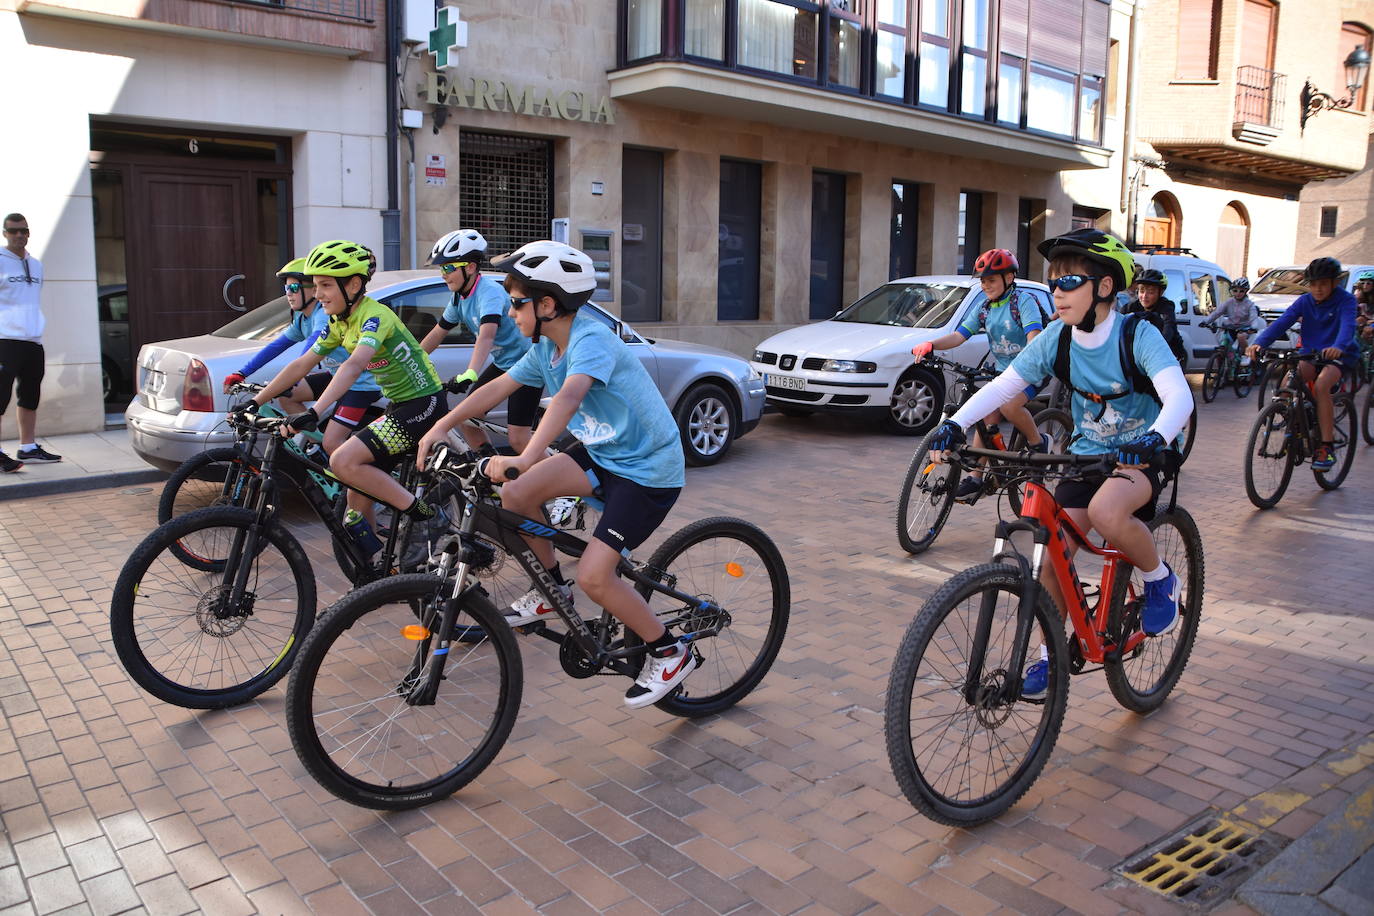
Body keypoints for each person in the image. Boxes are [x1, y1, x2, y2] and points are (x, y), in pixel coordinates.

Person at [416, 240, 695, 709]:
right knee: (517, 495)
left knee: (596, 578)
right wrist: (440, 426)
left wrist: (526, 457)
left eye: (516, 302)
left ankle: (670, 651)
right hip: (604, 453)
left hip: (648, 470)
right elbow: (499, 386)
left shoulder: (590, 340)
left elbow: (568, 398)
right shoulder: (546, 345)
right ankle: (550, 589)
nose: (510, 313)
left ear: (547, 305)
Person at [926, 229, 1193, 699]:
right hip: (1087, 452)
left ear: (1104, 287)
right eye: (1053, 282)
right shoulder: (1058, 337)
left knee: (1108, 512)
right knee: (1052, 554)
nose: (1057, 291)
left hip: (1142, 452)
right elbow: (1005, 385)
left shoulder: (1137, 334)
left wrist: (1153, 438)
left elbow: (1179, 396)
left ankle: (1159, 580)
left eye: (1069, 281)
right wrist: (955, 424)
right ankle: (1051, 659)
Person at [243, 239, 447, 533]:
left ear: (353, 285)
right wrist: (256, 401)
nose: (318, 294)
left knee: (343, 460)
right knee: (356, 497)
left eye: (326, 285)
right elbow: (301, 365)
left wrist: (315, 412)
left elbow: (354, 365)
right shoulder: (339, 322)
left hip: (424, 403)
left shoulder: (375, 316)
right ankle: (372, 560)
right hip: (398, 404)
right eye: (316, 286)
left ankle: (428, 517)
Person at [911, 248, 1046, 502]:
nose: (985, 286)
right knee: (986, 415)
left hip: (1032, 369)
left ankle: (1038, 442)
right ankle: (975, 478)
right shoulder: (985, 308)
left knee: (1009, 406)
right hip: (1003, 372)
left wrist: (1025, 362)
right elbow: (959, 336)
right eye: (983, 281)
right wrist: (931, 345)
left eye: (991, 280)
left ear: (1009, 278)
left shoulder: (1023, 301)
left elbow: (1034, 338)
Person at [222, 258, 382, 456]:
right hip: (337, 376)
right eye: (286, 288)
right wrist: (242, 372)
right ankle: (316, 445)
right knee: (288, 397)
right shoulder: (301, 317)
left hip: (361, 384)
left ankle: (338, 458)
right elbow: (276, 346)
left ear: (312, 290)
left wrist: (292, 380)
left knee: (332, 443)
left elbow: (307, 356)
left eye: (294, 288)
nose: (288, 294)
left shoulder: (323, 316)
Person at [419, 229, 539, 454]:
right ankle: (489, 468)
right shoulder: (459, 297)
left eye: (448, 268)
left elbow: (487, 335)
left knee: (518, 439)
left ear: (471, 267)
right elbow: (438, 332)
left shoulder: (489, 292)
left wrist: (471, 372)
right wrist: (411, 360)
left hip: (528, 364)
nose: (443, 274)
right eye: (441, 269)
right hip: (504, 364)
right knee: (469, 419)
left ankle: (553, 474)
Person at [1247, 256, 1358, 471]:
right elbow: (1283, 322)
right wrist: (1259, 343)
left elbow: (1347, 326)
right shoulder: (1305, 301)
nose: (1318, 289)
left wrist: (1339, 346)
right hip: (1311, 353)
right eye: (1313, 284)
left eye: (1323, 284)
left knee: (1322, 386)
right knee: (1287, 386)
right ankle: (1298, 426)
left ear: (1335, 283)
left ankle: (1326, 447)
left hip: (1339, 354)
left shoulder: (1346, 300)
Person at [0, 213, 61, 470]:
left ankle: (28, 448)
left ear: (28, 233)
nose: (19, 235)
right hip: (4, 340)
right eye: (13, 231)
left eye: (23, 230)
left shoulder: (36, 265)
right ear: (5, 233)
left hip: (32, 341)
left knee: (30, 395)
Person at [1124, 268, 1188, 366]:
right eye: (1141, 291)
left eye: (1150, 292)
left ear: (1160, 293)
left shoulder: (1166, 307)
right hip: (1142, 356)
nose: (1144, 296)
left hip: (1171, 354)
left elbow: (1168, 327)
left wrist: (1156, 346)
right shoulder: (1131, 307)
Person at [1202, 276, 1261, 363]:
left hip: (1244, 329)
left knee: (1241, 337)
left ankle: (1246, 355)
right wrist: (1206, 321)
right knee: (1223, 343)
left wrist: (1253, 327)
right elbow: (1217, 312)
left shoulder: (1249, 304)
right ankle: (1221, 363)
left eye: (1241, 291)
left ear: (1246, 292)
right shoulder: (1229, 302)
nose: (1238, 293)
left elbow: (1253, 317)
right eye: (1235, 291)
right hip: (1230, 327)